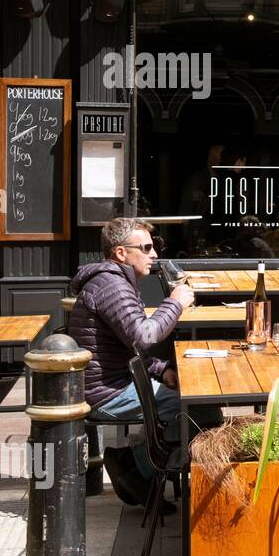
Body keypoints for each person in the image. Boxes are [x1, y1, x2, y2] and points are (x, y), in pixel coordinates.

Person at [67, 217, 196, 508]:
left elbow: (128, 349)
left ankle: (142, 468)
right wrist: (175, 303)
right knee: (194, 408)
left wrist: (162, 370)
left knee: (192, 401)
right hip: (106, 393)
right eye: (147, 248)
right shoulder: (112, 286)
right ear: (121, 253)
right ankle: (136, 465)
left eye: (155, 247)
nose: (154, 255)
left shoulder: (116, 282)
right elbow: (143, 336)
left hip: (114, 382)